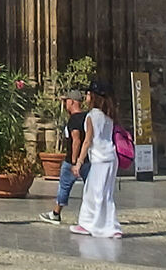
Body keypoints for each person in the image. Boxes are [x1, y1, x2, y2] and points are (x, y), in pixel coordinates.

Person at [70, 85, 121, 239]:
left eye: (88, 94)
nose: (86, 96)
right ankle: (111, 225)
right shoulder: (108, 116)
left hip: (99, 159)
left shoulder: (92, 115)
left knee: (93, 193)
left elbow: (87, 141)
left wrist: (79, 162)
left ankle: (88, 224)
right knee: (107, 194)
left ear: (93, 97)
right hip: (111, 157)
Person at [40, 90, 89, 225]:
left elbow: (76, 140)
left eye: (66, 101)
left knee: (64, 186)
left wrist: (74, 161)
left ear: (72, 102)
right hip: (87, 159)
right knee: (90, 187)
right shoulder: (87, 117)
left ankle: (56, 213)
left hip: (74, 160)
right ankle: (93, 214)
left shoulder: (74, 119)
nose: (65, 104)